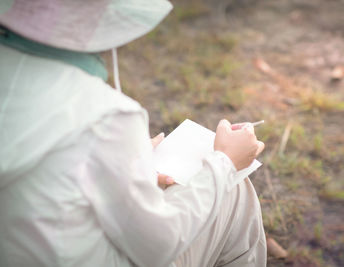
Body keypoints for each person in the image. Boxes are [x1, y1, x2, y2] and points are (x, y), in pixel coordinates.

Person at [0, 0, 267, 266]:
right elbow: (158, 247)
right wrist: (225, 163)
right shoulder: (106, 114)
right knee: (232, 189)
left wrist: (124, 162)